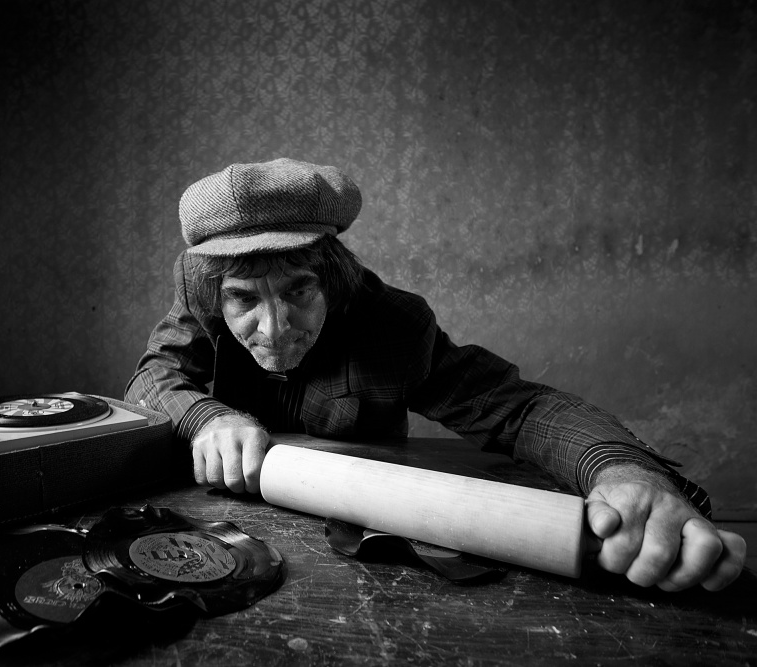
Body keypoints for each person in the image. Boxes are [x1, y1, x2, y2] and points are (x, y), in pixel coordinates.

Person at [125, 157, 746, 592]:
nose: (275, 328)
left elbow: (520, 408)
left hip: (369, 545)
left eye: (299, 291)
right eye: (244, 299)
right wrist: (205, 417)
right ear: (215, 292)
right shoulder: (199, 295)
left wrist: (622, 470)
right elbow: (152, 378)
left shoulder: (393, 325)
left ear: (333, 278)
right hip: (222, 529)